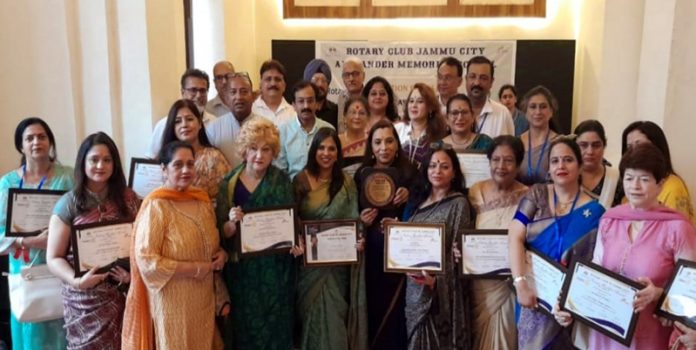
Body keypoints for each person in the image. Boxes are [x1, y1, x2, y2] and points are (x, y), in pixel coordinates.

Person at [554, 143, 696, 349]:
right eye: (629, 178)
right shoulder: (611, 219)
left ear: (661, 184)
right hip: (605, 331)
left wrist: (657, 294)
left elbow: (692, 292)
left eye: (644, 179)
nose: (635, 186)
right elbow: (596, 270)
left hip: (649, 335)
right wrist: (569, 303)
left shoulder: (678, 228)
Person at [122, 141, 227, 349]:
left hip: (202, 298)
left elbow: (211, 243)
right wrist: (198, 268)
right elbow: (147, 261)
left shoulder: (201, 200)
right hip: (171, 301)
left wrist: (221, 254)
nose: (186, 170)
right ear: (164, 169)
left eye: (190, 164)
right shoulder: (157, 205)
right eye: (178, 165)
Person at [508, 137, 605, 349]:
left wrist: (572, 303)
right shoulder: (537, 194)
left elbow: (594, 267)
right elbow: (515, 235)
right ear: (548, 168)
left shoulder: (596, 212)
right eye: (555, 161)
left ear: (579, 166)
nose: (560, 165)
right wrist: (520, 282)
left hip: (568, 305)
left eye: (568, 160)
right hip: (531, 294)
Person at [46, 132, 139, 349]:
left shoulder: (129, 199)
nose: (100, 165)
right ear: (83, 162)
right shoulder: (68, 204)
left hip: (123, 293)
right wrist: (76, 281)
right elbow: (53, 257)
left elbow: (141, 245)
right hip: (83, 300)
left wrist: (131, 276)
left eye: (107, 160)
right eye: (94, 159)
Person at [217, 118, 302, 349]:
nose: (259, 155)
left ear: (274, 152)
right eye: (253, 148)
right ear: (244, 150)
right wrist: (231, 223)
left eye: (266, 149)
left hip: (276, 270)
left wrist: (296, 244)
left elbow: (291, 222)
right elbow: (221, 232)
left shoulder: (282, 181)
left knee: (277, 325)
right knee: (245, 328)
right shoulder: (229, 183)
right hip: (243, 272)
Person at [0, 117, 73, 350]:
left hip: (62, 262)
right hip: (24, 266)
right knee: (30, 324)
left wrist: (54, 242)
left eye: (41, 137)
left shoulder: (69, 177)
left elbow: (82, 219)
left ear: (50, 142)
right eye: (29, 138)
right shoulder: (7, 183)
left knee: (61, 322)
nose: (36, 142)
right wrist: (27, 240)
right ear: (20, 146)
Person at [293, 128, 368, 350]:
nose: (326, 153)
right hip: (309, 265)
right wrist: (297, 240)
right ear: (313, 150)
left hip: (338, 266)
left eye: (331, 148)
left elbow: (354, 220)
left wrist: (359, 239)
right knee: (310, 317)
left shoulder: (346, 182)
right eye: (321, 147)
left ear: (338, 153)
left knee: (335, 319)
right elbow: (292, 218)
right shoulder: (301, 180)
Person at [354, 120, 419, 349]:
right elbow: (350, 213)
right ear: (370, 146)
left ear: (397, 143)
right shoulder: (361, 174)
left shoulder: (411, 173)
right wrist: (361, 220)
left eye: (389, 141)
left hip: (399, 259)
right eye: (378, 142)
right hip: (370, 255)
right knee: (373, 306)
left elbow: (423, 213)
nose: (384, 147)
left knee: (396, 312)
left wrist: (409, 196)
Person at [401, 144, 473, 349]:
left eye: (444, 166)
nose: (437, 171)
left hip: (439, 292)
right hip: (414, 287)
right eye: (432, 166)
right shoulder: (418, 201)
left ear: (454, 172)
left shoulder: (459, 204)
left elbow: (458, 254)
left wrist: (434, 282)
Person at [468, 135, 528, 350]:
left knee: (505, 338)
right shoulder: (475, 192)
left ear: (518, 163)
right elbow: (465, 232)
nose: (501, 166)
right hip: (479, 284)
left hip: (508, 284)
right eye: (495, 159)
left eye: (508, 160)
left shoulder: (528, 197)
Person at [620, 120, 694, 222]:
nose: (635, 151)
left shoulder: (673, 187)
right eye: (629, 148)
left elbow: (677, 228)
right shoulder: (628, 186)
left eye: (640, 145)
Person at [161, 99, 231, 202]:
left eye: (189, 119)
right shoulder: (166, 160)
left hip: (206, 214)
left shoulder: (215, 158)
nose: (184, 125)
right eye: (178, 121)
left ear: (200, 124)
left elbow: (227, 195)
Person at [147, 68, 217, 158]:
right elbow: (150, 159)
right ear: (183, 92)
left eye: (203, 90)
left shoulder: (215, 122)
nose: (199, 95)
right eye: (193, 90)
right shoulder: (164, 124)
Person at [275, 81, 335, 179]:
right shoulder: (283, 131)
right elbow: (280, 171)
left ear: (317, 104)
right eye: (301, 101)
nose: (306, 106)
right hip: (292, 189)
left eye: (310, 101)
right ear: (293, 105)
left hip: (322, 189)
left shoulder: (328, 129)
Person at [206, 72, 262, 167]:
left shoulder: (265, 127)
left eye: (244, 91)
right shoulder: (213, 129)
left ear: (253, 96)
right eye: (233, 92)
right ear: (227, 98)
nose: (239, 97)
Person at [395, 83, 448, 169]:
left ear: (430, 108)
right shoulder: (398, 129)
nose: (414, 106)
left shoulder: (439, 133)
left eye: (420, 101)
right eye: (411, 101)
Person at [517, 85, 561, 185]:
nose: (538, 112)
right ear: (525, 111)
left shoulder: (560, 143)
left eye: (543, 107)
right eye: (533, 107)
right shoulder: (516, 143)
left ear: (551, 111)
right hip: (520, 198)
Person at [465, 56, 514, 138]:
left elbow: (511, 149)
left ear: (491, 82)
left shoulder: (502, 114)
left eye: (483, 78)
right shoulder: (454, 113)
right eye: (472, 77)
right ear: (466, 79)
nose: (477, 82)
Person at [573, 119, 619, 208]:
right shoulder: (564, 176)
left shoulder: (616, 179)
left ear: (604, 146)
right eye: (583, 145)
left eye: (596, 145)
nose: (590, 151)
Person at [252, 59, 296, 126]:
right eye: (268, 79)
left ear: (284, 86)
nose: (273, 83)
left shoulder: (294, 113)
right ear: (260, 84)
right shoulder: (251, 110)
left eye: (277, 79)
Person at [305, 58, 339, 129]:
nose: (320, 84)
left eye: (324, 81)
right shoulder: (303, 109)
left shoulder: (336, 110)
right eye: (316, 80)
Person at [338, 57, 367, 133]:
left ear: (363, 76)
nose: (351, 79)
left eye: (355, 74)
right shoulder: (341, 97)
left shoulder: (370, 97)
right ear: (342, 78)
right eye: (347, 75)